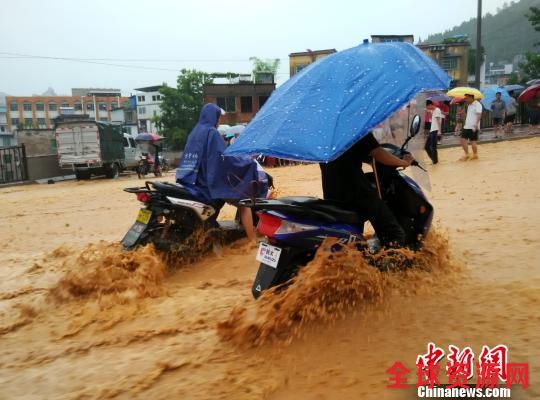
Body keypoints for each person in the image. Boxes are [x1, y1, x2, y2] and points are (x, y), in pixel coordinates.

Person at [176, 103, 262, 242]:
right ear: (213, 117)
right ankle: (252, 241)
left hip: (191, 182)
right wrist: (246, 162)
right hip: (208, 183)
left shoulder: (195, 132)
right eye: (219, 118)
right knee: (244, 204)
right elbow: (224, 158)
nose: (219, 121)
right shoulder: (212, 133)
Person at [319, 132, 414, 248]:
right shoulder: (356, 126)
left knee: (353, 234)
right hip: (356, 191)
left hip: (331, 192)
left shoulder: (327, 132)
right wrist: (404, 162)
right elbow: (377, 152)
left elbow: (348, 155)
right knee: (394, 233)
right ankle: (393, 264)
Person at [460, 93, 483, 161]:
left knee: (473, 141)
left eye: (466, 98)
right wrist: (463, 113)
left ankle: (475, 154)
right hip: (467, 126)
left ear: (471, 97)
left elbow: (479, 115)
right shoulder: (469, 105)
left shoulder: (477, 104)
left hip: (473, 126)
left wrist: (476, 124)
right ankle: (467, 154)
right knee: (462, 140)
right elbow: (468, 115)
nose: (465, 99)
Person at [424, 100, 442, 164]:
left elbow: (438, 121)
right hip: (432, 130)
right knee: (426, 147)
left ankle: (435, 162)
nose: (427, 108)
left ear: (430, 105)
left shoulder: (437, 110)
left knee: (433, 147)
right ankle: (434, 159)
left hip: (435, 130)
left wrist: (439, 131)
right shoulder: (433, 111)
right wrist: (428, 113)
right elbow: (431, 120)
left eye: (427, 107)